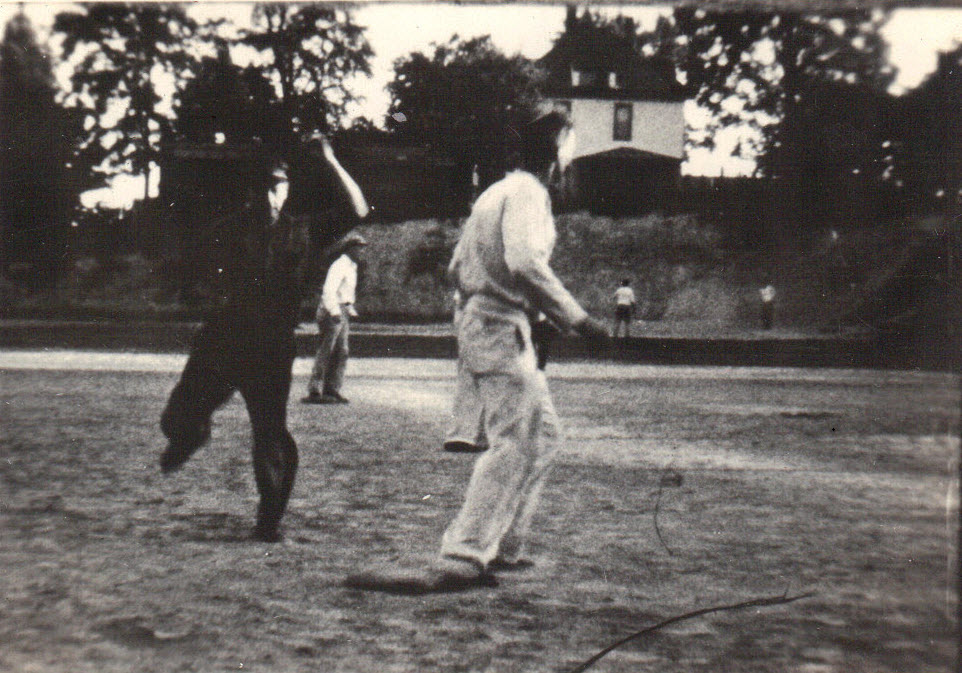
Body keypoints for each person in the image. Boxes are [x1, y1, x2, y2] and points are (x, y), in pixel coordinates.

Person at [346, 111, 608, 593]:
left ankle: (503, 544)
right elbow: (525, 261)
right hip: (498, 327)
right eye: (567, 151)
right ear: (555, 157)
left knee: (544, 435)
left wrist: (509, 302)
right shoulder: (529, 194)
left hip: (490, 322)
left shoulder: (496, 191)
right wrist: (576, 317)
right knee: (516, 441)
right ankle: (464, 554)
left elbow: (454, 268)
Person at [159, 136, 369, 543]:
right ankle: (188, 436)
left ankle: (269, 517)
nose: (272, 195)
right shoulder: (231, 228)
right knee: (177, 416)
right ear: (252, 192)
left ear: (288, 190)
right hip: (223, 338)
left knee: (271, 432)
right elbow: (192, 270)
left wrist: (329, 159)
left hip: (271, 346)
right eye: (266, 187)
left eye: (279, 185)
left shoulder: (304, 231)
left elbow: (358, 210)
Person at [303, 232, 367, 404]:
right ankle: (315, 390)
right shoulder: (339, 265)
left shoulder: (351, 267)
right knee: (327, 349)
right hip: (332, 310)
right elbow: (329, 291)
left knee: (342, 351)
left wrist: (349, 309)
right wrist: (335, 312)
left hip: (341, 310)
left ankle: (332, 389)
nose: (362, 252)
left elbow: (345, 293)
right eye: (359, 248)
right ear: (350, 248)